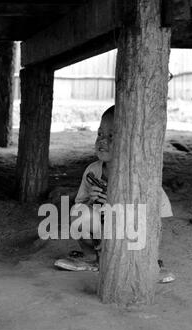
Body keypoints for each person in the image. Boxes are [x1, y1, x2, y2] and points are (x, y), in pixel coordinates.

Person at [55, 105, 174, 282]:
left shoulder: (142, 174)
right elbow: (79, 206)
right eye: (100, 134)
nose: (102, 141)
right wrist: (92, 202)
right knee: (80, 213)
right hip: (102, 235)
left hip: (131, 236)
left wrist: (118, 203)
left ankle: (147, 263)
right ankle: (92, 257)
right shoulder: (92, 171)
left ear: (129, 140)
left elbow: (158, 215)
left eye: (111, 136)